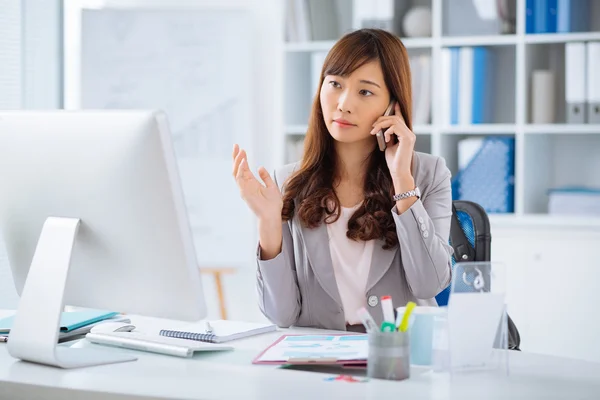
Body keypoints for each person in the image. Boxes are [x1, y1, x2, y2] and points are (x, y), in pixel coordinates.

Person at [232, 28, 453, 332]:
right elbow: (281, 315)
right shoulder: (288, 182)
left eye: (365, 91)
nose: (344, 104)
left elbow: (429, 284)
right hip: (318, 362)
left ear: (393, 105)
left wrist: (402, 179)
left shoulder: (428, 174)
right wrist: (269, 222)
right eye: (335, 84)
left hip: (397, 359)